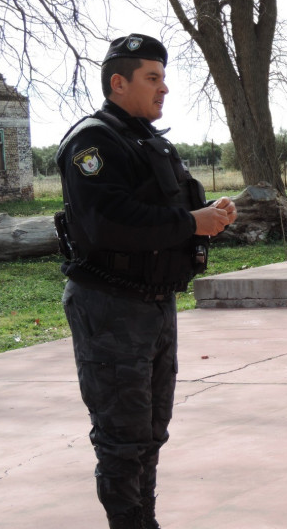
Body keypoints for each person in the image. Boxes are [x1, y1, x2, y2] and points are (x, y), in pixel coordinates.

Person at [55, 34, 237, 529]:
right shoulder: (92, 143)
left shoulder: (147, 141)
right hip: (110, 305)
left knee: (151, 431)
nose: (164, 89)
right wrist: (189, 223)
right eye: (152, 78)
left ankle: (144, 521)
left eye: (163, 77)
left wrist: (208, 217)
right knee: (121, 436)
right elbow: (106, 222)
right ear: (119, 82)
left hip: (154, 304)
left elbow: (163, 213)